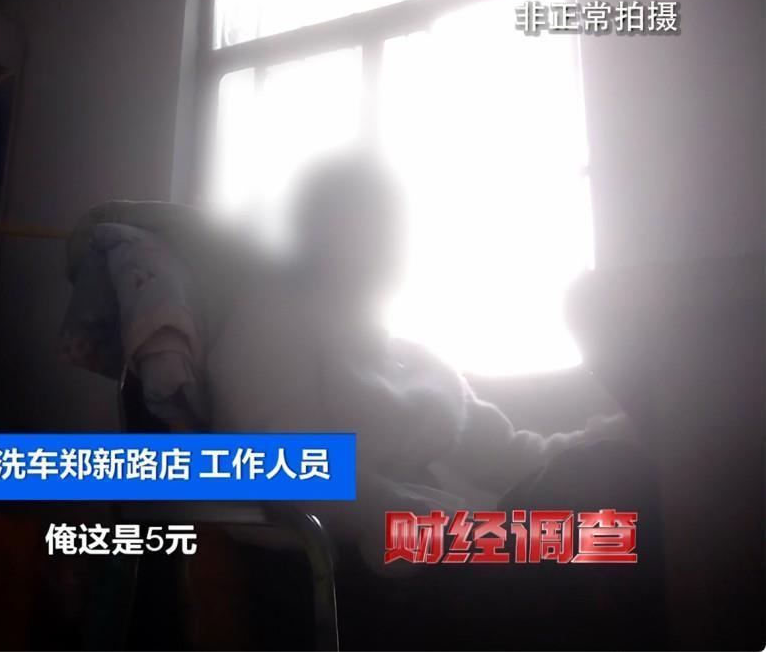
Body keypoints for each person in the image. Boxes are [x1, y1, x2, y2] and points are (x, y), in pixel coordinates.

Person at [203, 151, 664, 649]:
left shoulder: (412, 357)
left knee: (614, 479)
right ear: (323, 227)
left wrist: (629, 430)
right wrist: (407, 518)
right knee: (594, 540)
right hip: (353, 567)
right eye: (376, 220)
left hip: (439, 542)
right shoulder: (271, 315)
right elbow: (283, 464)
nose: (394, 239)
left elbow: (509, 454)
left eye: (397, 225)